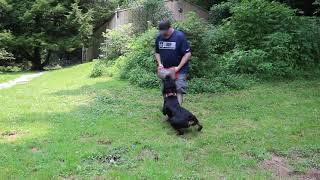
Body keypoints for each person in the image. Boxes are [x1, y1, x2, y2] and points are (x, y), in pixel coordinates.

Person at [155, 20, 192, 105]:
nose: (163, 34)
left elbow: (188, 54)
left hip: (179, 70)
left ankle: (177, 112)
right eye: (162, 32)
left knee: (178, 90)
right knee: (166, 90)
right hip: (165, 70)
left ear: (170, 28)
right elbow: (157, 52)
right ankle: (169, 112)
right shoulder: (159, 37)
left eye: (165, 32)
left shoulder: (179, 36)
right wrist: (160, 63)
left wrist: (178, 67)